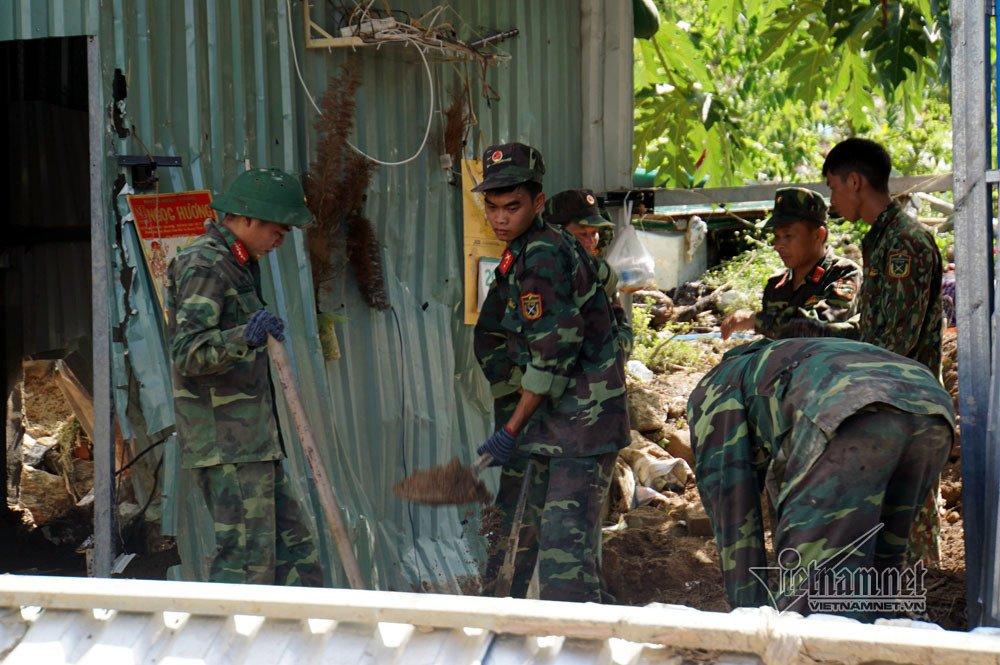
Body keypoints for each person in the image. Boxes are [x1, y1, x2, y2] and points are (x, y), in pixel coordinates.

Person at [688, 337, 954, 617]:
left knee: (817, 605)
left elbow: (732, 504)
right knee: (881, 566)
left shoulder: (714, 389)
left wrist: (749, 613)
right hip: (931, 408)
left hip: (848, 407)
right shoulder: (786, 360)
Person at [472, 143, 629, 603]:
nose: (500, 218)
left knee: (566, 568)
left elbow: (552, 355)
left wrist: (511, 428)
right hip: (558, 425)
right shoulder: (522, 253)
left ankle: (587, 647)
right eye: (493, 207)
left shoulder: (541, 256)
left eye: (513, 206)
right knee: (530, 540)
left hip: (582, 427)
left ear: (538, 203)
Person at [166, 168, 323, 586]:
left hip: (253, 442)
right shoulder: (205, 263)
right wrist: (244, 336)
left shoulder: (238, 263)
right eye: (279, 228)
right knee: (246, 569)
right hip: (227, 446)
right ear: (248, 218)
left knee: (296, 559)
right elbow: (188, 353)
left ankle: (304, 648)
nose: (282, 239)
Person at [823, 138, 945, 564]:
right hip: (886, 398)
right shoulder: (881, 240)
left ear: (855, 181)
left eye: (834, 187)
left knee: (907, 515)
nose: (832, 199)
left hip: (905, 402)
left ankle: (916, 612)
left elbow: (895, 343)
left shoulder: (905, 243)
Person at [721, 187, 860, 340]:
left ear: (818, 235)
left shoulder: (844, 274)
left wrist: (755, 320)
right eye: (777, 236)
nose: (778, 245)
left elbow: (820, 326)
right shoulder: (776, 285)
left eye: (788, 235)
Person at [543, 188, 633, 354]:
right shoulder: (541, 271)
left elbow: (622, 330)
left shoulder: (599, 271)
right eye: (582, 234)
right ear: (555, 233)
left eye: (594, 233)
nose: (591, 241)